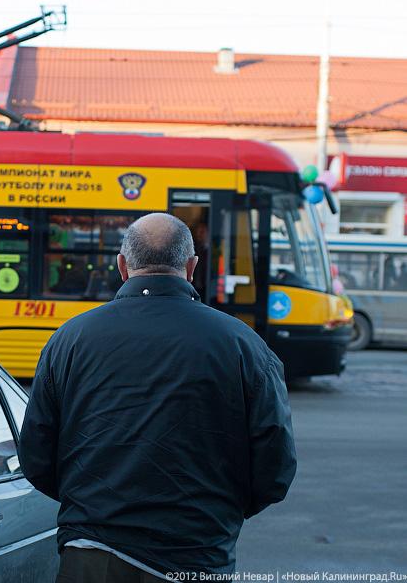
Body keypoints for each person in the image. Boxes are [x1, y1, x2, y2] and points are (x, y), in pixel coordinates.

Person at [19, 212, 296, 581]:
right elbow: (275, 467)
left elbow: (37, 457)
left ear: (122, 265)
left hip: (93, 555)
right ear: (191, 266)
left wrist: (93, 509)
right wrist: (217, 514)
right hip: (198, 554)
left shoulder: (68, 340)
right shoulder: (244, 345)